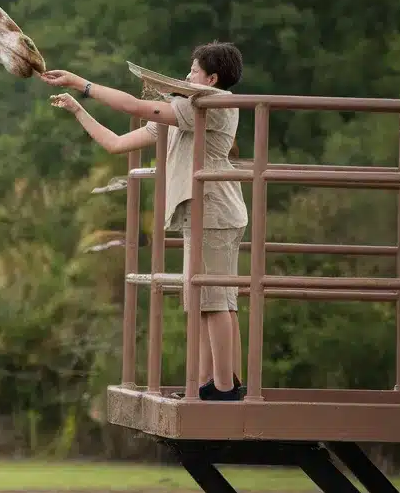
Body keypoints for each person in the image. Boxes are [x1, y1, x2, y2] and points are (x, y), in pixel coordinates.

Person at [39, 42, 249, 401]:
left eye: (194, 71)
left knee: (214, 302)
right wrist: (78, 110)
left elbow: (134, 106)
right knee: (207, 302)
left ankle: (224, 389)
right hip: (204, 212)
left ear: (212, 78)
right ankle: (207, 385)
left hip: (215, 211)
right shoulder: (181, 114)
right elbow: (117, 143)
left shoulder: (212, 105)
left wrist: (81, 84)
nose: (187, 77)